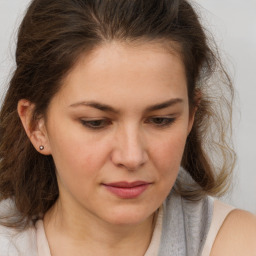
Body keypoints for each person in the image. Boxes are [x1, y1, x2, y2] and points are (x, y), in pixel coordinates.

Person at [0, 0, 255, 255]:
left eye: (161, 120)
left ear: (190, 116)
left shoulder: (239, 244)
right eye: (96, 123)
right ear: (36, 125)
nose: (132, 157)